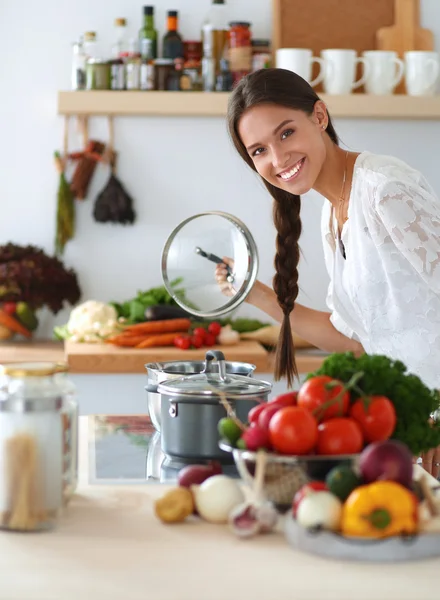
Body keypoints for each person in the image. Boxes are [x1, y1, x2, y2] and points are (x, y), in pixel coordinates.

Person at [215, 68, 440, 476]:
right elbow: (355, 341)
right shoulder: (332, 211)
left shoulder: (383, 190)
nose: (277, 159)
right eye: (259, 150)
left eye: (286, 133)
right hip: (408, 435)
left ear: (319, 117)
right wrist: (256, 293)